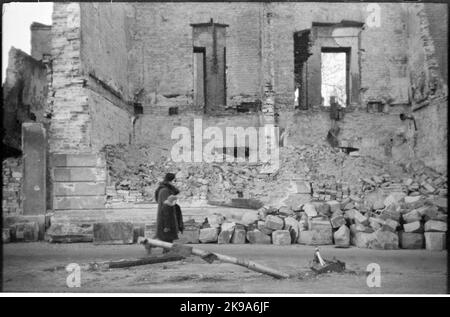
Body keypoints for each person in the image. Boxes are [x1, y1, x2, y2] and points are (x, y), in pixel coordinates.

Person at [154, 173, 183, 244]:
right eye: (175, 181)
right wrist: (167, 224)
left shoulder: (164, 189)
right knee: (166, 237)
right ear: (172, 181)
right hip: (167, 218)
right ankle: (164, 251)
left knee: (166, 238)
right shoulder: (165, 191)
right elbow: (166, 207)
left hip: (167, 216)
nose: (176, 183)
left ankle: (165, 251)